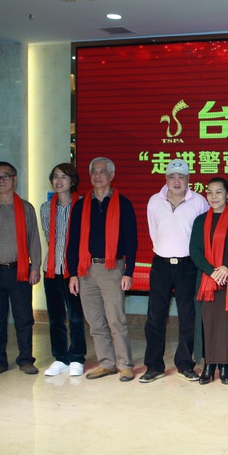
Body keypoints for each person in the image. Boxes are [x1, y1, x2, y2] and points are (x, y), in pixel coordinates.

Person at [66, 157, 139, 382]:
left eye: (102, 171)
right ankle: (106, 363)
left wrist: (128, 272)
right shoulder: (80, 206)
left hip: (112, 269)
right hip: (86, 270)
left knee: (116, 320)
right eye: (94, 172)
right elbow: (72, 242)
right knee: (95, 321)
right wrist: (72, 274)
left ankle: (125, 364)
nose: (97, 176)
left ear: (111, 175)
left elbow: (132, 241)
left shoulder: (123, 204)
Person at [139, 158, 208, 383]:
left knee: (188, 316)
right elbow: (154, 231)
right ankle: (154, 366)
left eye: (181, 176)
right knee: (155, 317)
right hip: (161, 264)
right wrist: (166, 251)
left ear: (188, 179)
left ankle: (185, 364)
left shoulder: (199, 201)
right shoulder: (154, 201)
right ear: (166, 179)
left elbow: (203, 234)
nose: (176, 181)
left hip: (188, 265)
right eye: (172, 176)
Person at [0, 161, 42, 377]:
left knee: (24, 319)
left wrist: (35, 267)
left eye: (6, 176)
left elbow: (34, 240)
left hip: (19, 271)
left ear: (15, 179)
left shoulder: (26, 209)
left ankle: (26, 360)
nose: (1, 180)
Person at [190, 177, 228, 385]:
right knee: (207, 322)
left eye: (219, 192)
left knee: (226, 324)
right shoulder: (200, 220)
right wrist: (211, 271)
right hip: (207, 281)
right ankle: (208, 365)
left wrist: (227, 267)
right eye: (210, 192)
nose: (214, 196)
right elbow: (195, 250)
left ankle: (224, 365)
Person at [40, 163, 87, 377]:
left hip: (74, 270)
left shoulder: (83, 205)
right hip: (51, 269)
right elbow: (49, 237)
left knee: (76, 317)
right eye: (55, 177)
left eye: (64, 177)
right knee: (56, 318)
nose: (59, 181)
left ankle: (77, 357)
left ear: (73, 181)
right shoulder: (45, 208)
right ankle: (60, 358)